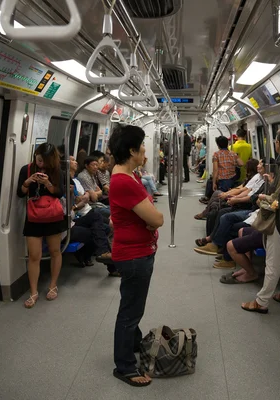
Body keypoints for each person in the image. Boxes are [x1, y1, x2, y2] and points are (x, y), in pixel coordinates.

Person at [108, 125, 164, 387]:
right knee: (130, 311)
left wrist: (149, 220)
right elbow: (157, 218)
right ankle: (125, 366)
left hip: (136, 251)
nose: (145, 149)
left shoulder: (128, 175)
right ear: (131, 150)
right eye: (141, 145)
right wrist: (152, 220)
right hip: (134, 256)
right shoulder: (123, 181)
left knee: (132, 305)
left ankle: (134, 343)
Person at [241, 128, 280, 313]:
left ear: (278, 144)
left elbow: (278, 197)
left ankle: (262, 301)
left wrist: (263, 198)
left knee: (273, 262)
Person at [17, 143, 65, 309]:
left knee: (55, 251)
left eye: (44, 161)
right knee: (34, 256)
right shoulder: (27, 169)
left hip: (53, 216)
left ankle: (53, 285)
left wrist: (48, 184)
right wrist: (27, 182)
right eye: (38, 160)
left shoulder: (57, 171)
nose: (40, 164)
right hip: (34, 218)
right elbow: (20, 192)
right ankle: (33, 292)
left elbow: (60, 193)